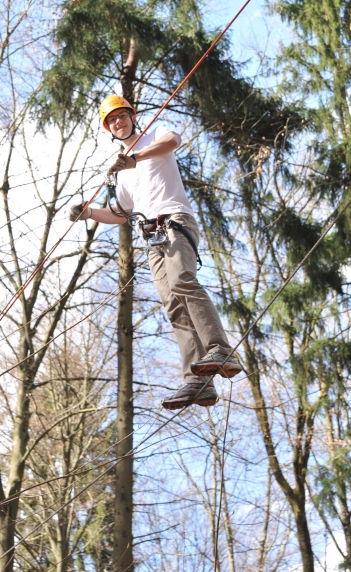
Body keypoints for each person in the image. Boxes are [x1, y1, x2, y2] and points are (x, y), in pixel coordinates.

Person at [70, 95, 242, 410]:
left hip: (175, 219)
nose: (119, 122)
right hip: (151, 235)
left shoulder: (152, 136)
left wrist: (137, 156)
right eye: (113, 120)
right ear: (108, 128)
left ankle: (221, 349)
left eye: (123, 116)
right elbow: (121, 212)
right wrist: (90, 213)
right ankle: (198, 381)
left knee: (182, 281)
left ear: (133, 118)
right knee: (173, 303)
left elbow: (172, 141)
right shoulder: (122, 170)